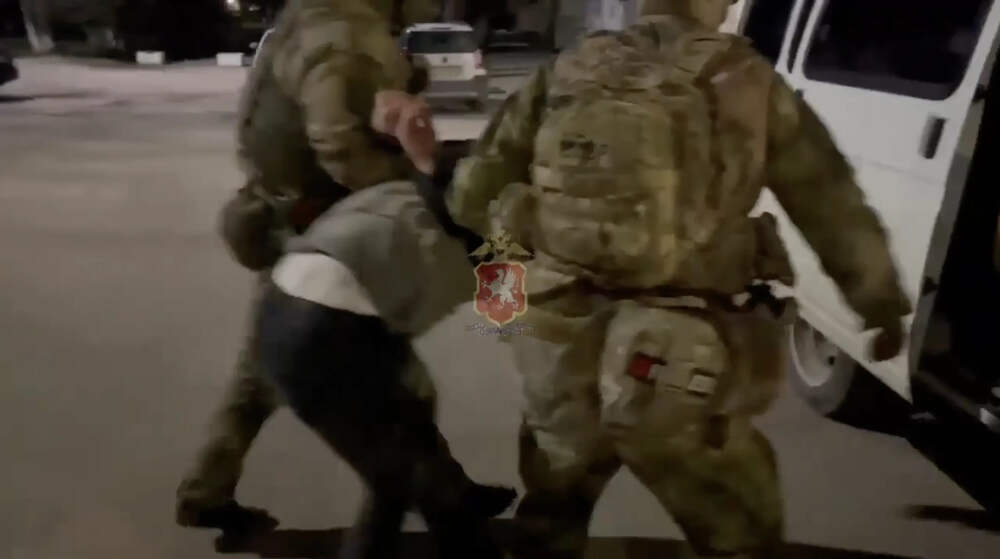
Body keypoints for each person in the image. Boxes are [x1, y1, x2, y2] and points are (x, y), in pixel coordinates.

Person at [407, 0, 912, 557]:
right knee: (734, 523)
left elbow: (472, 195)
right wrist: (880, 305)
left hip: (557, 331)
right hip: (677, 344)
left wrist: (528, 242)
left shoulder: (569, 69)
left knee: (553, 506)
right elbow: (831, 206)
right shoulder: (747, 81)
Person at [175, 0, 512, 536]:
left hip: (299, 220)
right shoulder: (346, 33)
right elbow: (338, 143)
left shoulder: (325, 15)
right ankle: (439, 496)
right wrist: (415, 197)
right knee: (393, 383)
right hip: (317, 229)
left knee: (267, 373)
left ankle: (206, 491)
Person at [252, 92, 512, 559]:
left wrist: (418, 148)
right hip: (327, 329)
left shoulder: (449, 173)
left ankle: (459, 500)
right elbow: (504, 299)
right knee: (397, 478)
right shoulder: (493, 221)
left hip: (290, 306)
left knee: (412, 423)